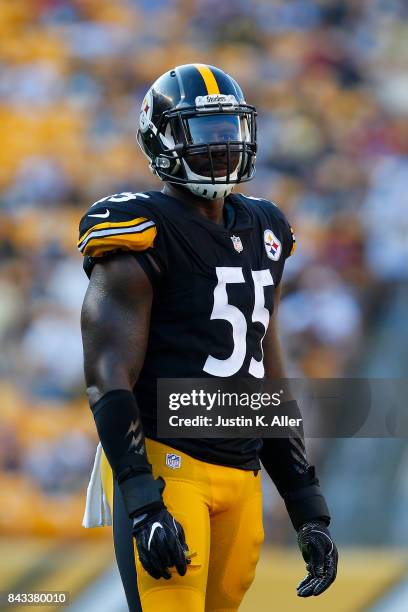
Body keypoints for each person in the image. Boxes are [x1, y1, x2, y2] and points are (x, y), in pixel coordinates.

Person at [79, 63, 338, 612]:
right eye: (203, 132)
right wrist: (142, 497)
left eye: (228, 131)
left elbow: (261, 369)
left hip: (241, 474)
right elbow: (108, 377)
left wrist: (305, 502)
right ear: (161, 139)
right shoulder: (140, 229)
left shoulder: (266, 226)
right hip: (167, 462)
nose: (221, 147)